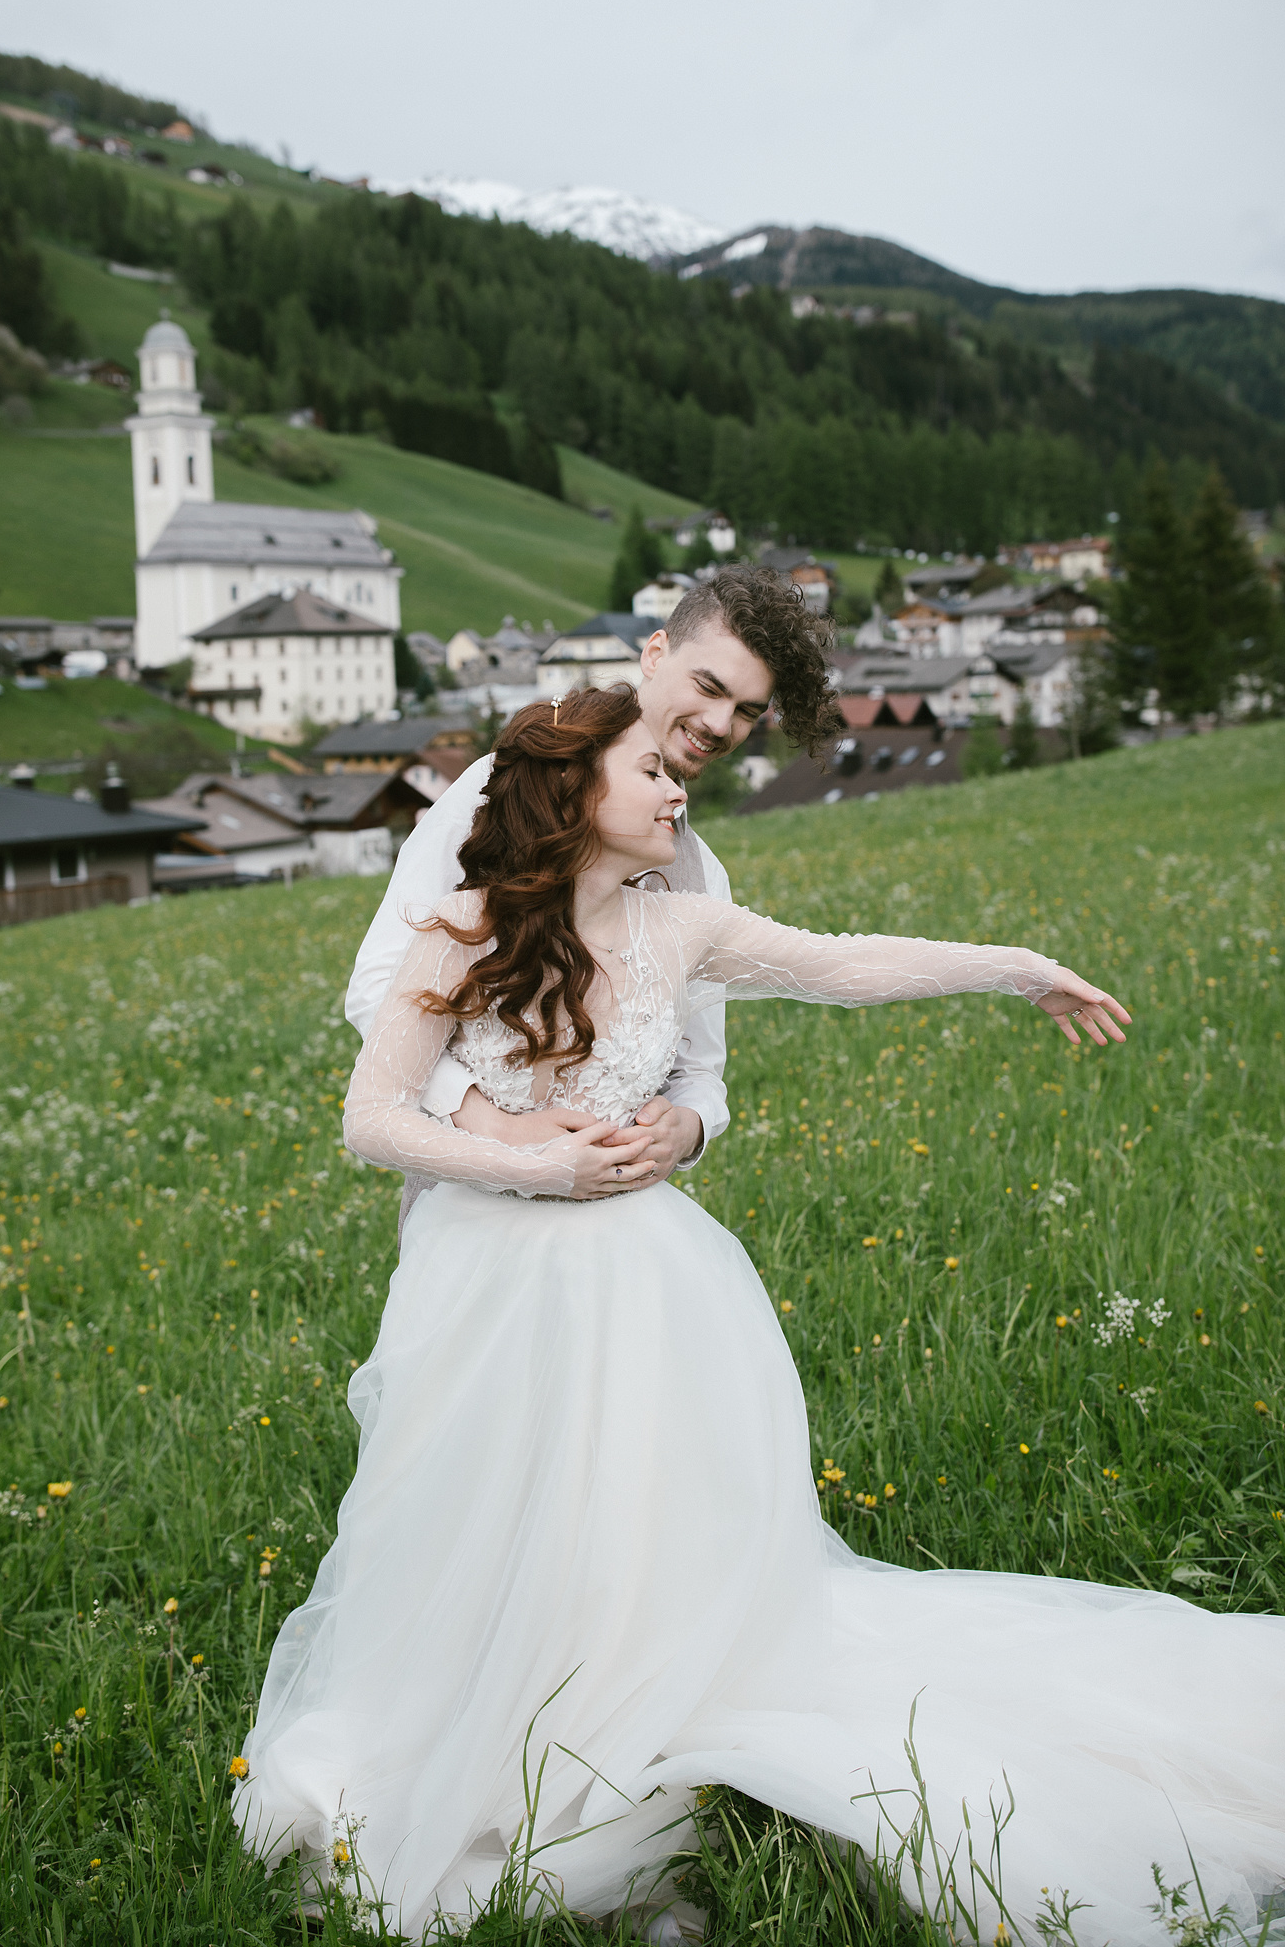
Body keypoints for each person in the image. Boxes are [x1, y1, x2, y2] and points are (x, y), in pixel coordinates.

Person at [237, 688, 1285, 1945]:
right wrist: (538, 1164)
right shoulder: (459, 928)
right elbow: (373, 1118)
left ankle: (636, 1698)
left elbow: (844, 965)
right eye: (652, 773)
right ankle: (487, 1719)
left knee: (640, 1513)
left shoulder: (678, 929)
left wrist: (1015, 969)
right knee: (484, 1506)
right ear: (575, 796)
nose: (681, 788)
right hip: (486, 1277)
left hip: (649, 1281)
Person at [346, 565, 839, 1232]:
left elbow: (701, 1069)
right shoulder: (501, 793)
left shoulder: (699, 878)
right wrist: (483, 1118)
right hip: (469, 1214)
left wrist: (686, 1129)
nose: (722, 724)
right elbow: (379, 981)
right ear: (655, 653)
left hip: (615, 1229)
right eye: (709, 687)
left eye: (749, 711)